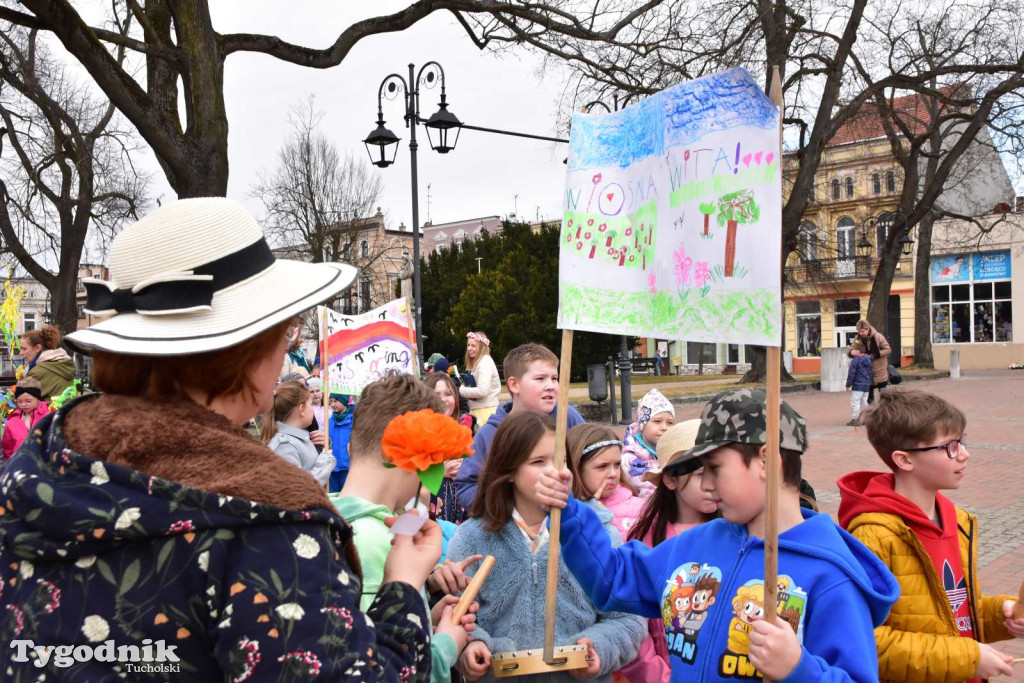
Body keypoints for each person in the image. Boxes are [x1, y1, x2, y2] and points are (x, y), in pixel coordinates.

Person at [0, 198, 441, 679]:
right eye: (282, 333)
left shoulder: (38, 466)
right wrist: (403, 591)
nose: (285, 351)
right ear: (247, 354)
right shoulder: (267, 522)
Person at [536, 388, 900, 681]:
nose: (706, 484)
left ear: (765, 461)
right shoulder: (698, 543)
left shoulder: (831, 576)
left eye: (714, 468)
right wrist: (568, 511)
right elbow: (613, 579)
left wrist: (799, 670)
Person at [838, 389, 1024, 683]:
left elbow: (953, 614)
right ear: (905, 460)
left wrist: (1000, 615)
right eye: (950, 447)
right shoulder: (873, 535)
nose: (964, 454)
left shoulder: (958, 521)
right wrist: (968, 659)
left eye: (962, 442)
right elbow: (864, 641)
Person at [448, 412, 646, 682]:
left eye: (559, 460)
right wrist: (471, 645)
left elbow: (628, 619)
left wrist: (598, 647)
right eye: (538, 462)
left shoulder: (595, 529)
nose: (554, 471)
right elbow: (455, 614)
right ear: (508, 472)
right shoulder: (472, 537)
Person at [330, 374, 477, 682]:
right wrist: (446, 643)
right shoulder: (376, 542)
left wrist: (423, 615)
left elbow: (378, 624)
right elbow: (388, 669)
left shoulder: (330, 523)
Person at [622, 419, 718, 682]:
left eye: (718, 471)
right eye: (701, 474)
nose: (713, 484)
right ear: (670, 480)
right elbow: (632, 623)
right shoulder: (644, 541)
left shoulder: (736, 534)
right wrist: (659, 676)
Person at [454, 342, 585, 510]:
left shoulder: (568, 417)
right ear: (514, 385)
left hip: (566, 524)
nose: (550, 386)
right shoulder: (491, 433)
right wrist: (508, 508)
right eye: (540, 379)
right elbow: (466, 485)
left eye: (554, 378)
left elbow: (590, 462)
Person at [566, 423, 642, 539]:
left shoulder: (640, 509)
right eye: (602, 466)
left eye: (617, 465)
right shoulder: (562, 514)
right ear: (576, 468)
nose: (613, 474)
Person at [261, 379, 335, 488]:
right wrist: (325, 463)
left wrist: (322, 447)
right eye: (310, 404)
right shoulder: (284, 445)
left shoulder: (299, 440)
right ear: (301, 409)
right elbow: (297, 489)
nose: (312, 410)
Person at [425, 371, 470, 524]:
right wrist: (441, 471)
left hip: (462, 512)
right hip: (432, 513)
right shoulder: (420, 434)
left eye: (448, 394)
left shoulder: (464, 433)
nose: (443, 399)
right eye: (437, 394)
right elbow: (408, 474)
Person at [621, 389, 675, 493]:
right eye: (657, 421)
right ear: (642, 425)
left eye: (670, 423)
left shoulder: (675, 452)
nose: (664, 427)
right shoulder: (628, 460)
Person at [19, 325, 77, 400]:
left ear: (37, 348)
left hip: (50, 412)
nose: (21, 353)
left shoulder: (38, 372)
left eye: (24, 349)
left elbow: (21, 400)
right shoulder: (62, 363)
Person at [1, 377, 50, 462]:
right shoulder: (12, 422)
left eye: (28, 401)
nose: (24, 404)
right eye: (20, 401)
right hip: (19, 466)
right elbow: (8, 450)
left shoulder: (48, 417)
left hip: (44, 466)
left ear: (37, 398)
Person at [459, 331, 501, 423]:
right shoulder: (479, 362)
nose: (469, 348)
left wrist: (461, 390)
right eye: (468, 345)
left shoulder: (484, 362)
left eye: (473, 346)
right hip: (481, 410)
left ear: (481, 347)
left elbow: (482, 391)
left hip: (486, 412)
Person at [854, 319, 891, 404]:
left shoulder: (878, 337)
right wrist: (851, 352)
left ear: (868, 329)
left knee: (884, 397)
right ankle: (871, 414)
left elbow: (888, 350)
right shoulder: (857, 339)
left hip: (880, 371)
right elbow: (851, 349)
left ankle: (886, 413)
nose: (860, 333)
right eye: (859, 331)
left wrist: (875, 355)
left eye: (862, 331)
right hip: (866, 372)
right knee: (868, 398)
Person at [327, 392, 354, 493]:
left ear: (344, 401)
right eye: (331, 402)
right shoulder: (330, 421)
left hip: (348, 467)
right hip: (333, 468)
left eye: (335, 401)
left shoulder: (354, 420)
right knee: (333, 498)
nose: (332, 404)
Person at [845, 347, 873, 426]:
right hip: (866, 385)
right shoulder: (868, 360)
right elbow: (871, 372)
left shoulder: (855, 360)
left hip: (858, 384)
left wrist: (848, 384)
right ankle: (866, 418)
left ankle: (856, 419)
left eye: (853, 350)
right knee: (864, 402)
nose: (852, 352)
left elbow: (852, 373)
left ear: (858, 351)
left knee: (855, 402)